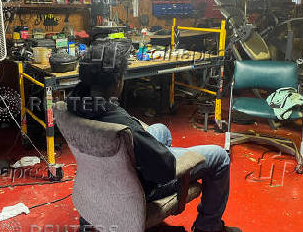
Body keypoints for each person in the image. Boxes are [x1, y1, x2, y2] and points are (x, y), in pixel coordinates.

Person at [67, 41, 241, 232]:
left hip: (99, 179)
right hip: (136, 187)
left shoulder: (72, 104)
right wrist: (159, 152)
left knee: (160, 130)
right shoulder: (122, 126)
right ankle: (208, 227)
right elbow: (164, 170)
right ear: (117, 82)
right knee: (220, 157)